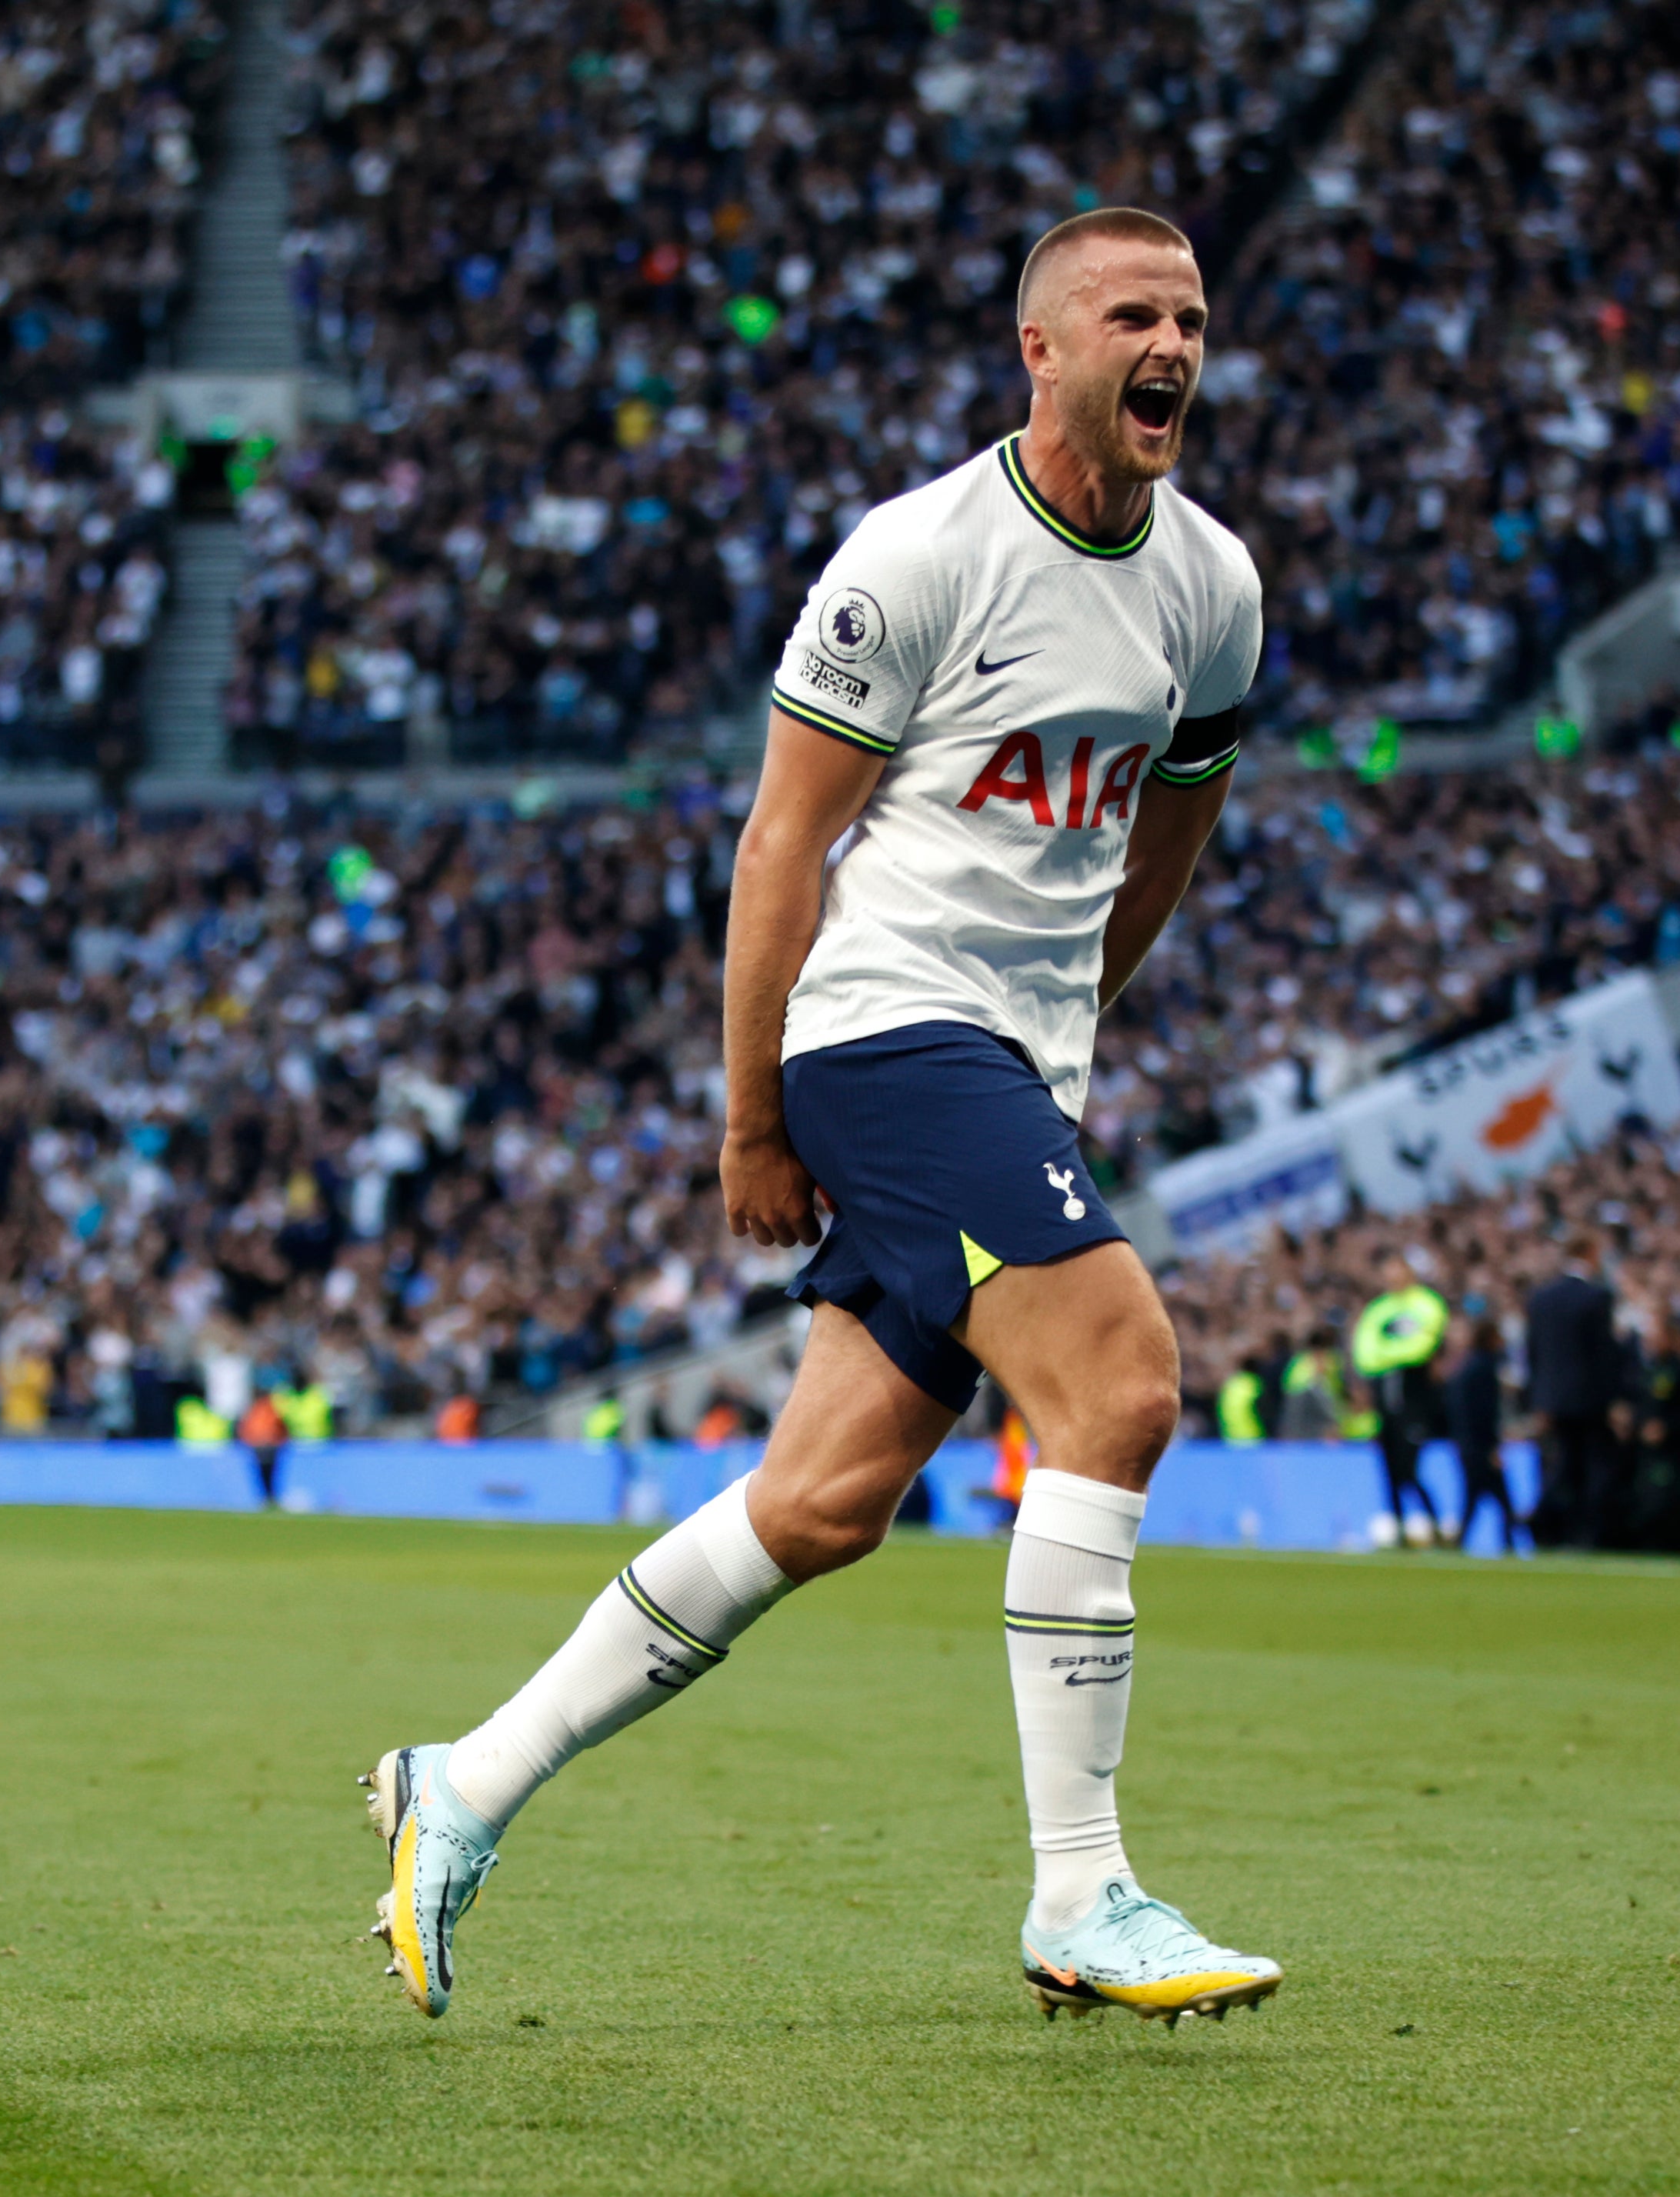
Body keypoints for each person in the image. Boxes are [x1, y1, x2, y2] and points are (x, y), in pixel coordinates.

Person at [363, 208, 1282, 2027]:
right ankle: (1083, 1894)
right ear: (1044, 349)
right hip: (881, 1033)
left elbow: (1181, 805)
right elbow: (785, 840)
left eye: (1188, 315)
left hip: (1008, 1064)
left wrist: (1092, 1001)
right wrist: (746, 1122)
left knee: (825, 1503)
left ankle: (457, 1786)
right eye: (1130, 314)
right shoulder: (919, 558)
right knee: (1122, 1382)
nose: (1170, 342)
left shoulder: (1215, 586)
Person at [1351, 1252, 1451, 1545]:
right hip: (1384, 1403)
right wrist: (1394, 1355)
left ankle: (1433, 1522)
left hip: (1415, 1399)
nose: (1393, 1277)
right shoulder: (1378, 1310)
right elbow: (1365, 1354)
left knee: (1409, 1468)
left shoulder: (1426, 1303)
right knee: (1389, 1468)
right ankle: (1398, 1525)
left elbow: (1422, 1347)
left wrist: (1388, 1355)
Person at [1525, 1245, 1618, 1548]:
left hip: (1552, 1399)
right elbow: (1603, 1353)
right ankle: (1586, 1535)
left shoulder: (1541, 1298)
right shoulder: (1596, 1297)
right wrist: (1614, 1399)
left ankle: (1544, 1521)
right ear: (1590, 1256)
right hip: (1590, 1399)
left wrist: (1538, 1400)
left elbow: (1533, 1353)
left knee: (1561, 1464)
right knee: (1593, 1468)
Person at [1445, 1315, 1522, 1554]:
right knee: (1501, 1500)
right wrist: (1492, 1447)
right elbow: (1485, 1413)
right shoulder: (1485, 1369)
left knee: (1472, 1499)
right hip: (1480, 1447)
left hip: (1466, 1445)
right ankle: (1509, 1544)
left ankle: (1463, 1542)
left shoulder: (1466, 1368)